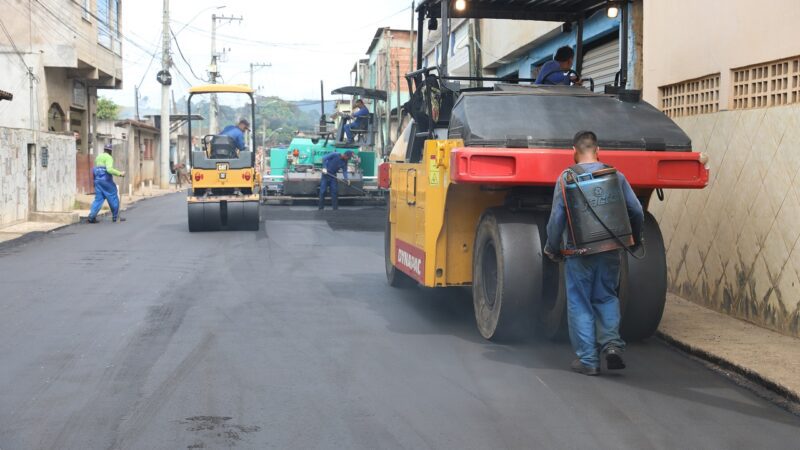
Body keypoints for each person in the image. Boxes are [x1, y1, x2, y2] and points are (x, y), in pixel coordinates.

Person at [543, 131, 644, 376]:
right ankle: (611, 346)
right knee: (607, 297)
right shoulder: (615, 176)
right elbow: (637, 210)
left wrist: (552, 247)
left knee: (580, 302)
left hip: (578, 252)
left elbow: (557, 218)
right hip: (610, 250)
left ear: (574, 152)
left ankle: (588, 360)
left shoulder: (566, 178)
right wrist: (633, 240)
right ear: (598, 151)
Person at [88, 144, 126, 223]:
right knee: (113, 196)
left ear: (104, 149)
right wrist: (120, 173)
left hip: (98, 181)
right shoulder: (109, 157)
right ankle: (115, 217)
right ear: (110, 151)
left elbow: (96, 168)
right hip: (106, 180)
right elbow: (109, 169)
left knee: (98, 199)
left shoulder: (98, 157)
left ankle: (91, 217)